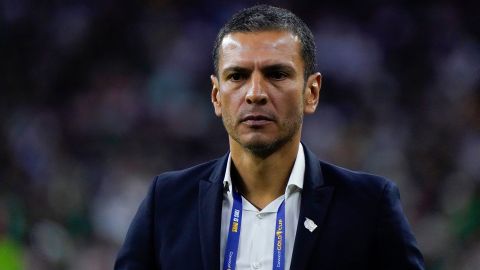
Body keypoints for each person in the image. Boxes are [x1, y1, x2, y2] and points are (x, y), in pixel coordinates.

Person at [114, 4, 425, 270]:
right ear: (216, 96)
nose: (255, 94)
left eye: (277, 74)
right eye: (237, 76)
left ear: (311, 92)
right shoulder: (167, 201)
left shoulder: (369, 205)